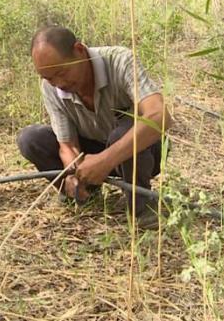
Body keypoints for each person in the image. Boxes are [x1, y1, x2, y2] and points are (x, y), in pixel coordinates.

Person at [16, 26, 172, 229]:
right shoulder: (51, 87)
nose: (58, 83)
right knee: (30, 139)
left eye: (62, 72)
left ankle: (141, 207)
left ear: (79, 50)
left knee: (123, 131)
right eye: (48, 78)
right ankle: (83, 193)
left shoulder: (120, 61)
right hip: (93, 152)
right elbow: (67, 144)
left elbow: (160, 116)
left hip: (143, 152)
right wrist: (74, 172)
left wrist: (105, 160)